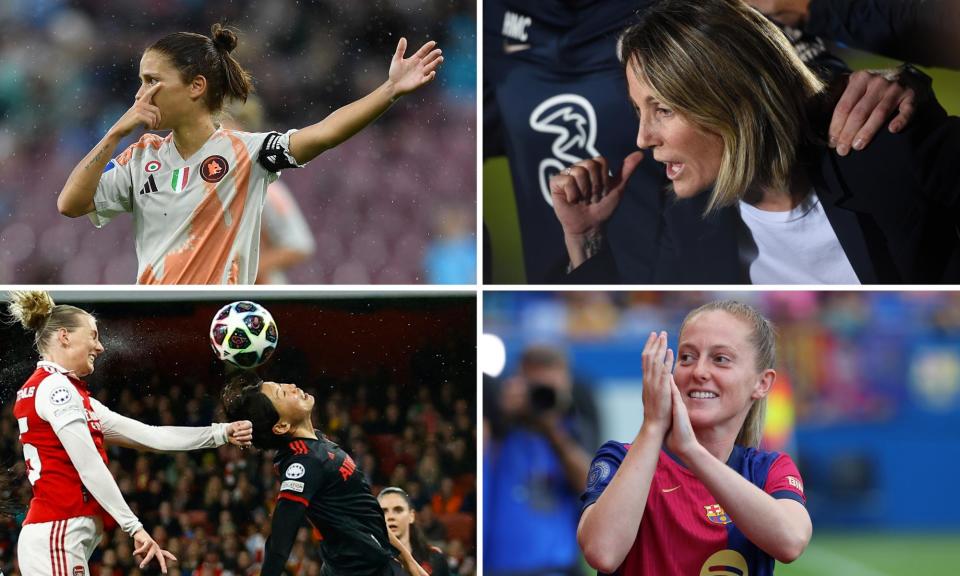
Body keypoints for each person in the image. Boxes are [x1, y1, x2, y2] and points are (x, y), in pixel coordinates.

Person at [484, 0, 919, 284]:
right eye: (640, 110)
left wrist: (880, 92)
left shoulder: (892, 166)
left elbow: (786, 75)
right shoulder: (495, 21)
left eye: (663, 109)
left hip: (697, 248)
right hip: (583, 274)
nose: (644, 136)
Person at [57, 23, 442, 284]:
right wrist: (113, 135)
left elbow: (323, 134)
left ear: (195, 87)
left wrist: (388, 91)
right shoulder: (140, 157)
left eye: (153, 81)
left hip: (224, 317)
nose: (141, 94)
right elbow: (70, 205)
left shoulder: (249, 152)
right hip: (158, 312)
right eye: (140, 81)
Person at [5, 290, 254, 575]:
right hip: (58, 533)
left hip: (57, 535)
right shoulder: (56, 389)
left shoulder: (61, 390)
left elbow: (150, 436)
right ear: (64, 336)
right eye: (93, 336)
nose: (100, 347)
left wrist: (222, 432)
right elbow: (88, 466)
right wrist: (133, 526)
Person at [579, 300, 809, 574]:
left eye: (720, 359)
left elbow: (791, 542)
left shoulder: (768, 470)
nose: (699, 372)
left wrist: (692, 452)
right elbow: (602, 552)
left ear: (762, 383)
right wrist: (653, 426)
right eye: (687, 357)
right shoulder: (619, 459)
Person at [223, 374, 428, 576]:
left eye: (283, 384)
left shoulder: (318, 444)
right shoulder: (302, 464)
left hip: (376, 564)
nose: (292, 385)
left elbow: (365, 513)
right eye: (283, 393)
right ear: (281, 426)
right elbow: (279, 541)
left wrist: (408, 560)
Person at [485, 345, 598, 576]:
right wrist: (501, 411)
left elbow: (591, 486)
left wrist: (551, 430)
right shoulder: (502, 428)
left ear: (566, 386)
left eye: (549, 390)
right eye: (536, 388)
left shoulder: (575, 431)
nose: (542, 398)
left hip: (557, 567)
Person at [378, 487, 451, 576]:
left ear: (411, 516)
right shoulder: (366, 561)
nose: (390, 517)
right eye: (383, 511)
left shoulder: (434, 558)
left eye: (398, 510)